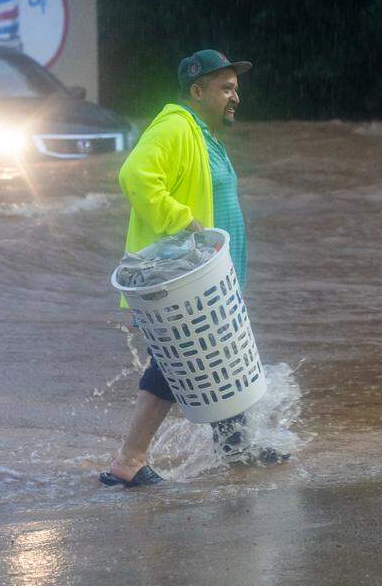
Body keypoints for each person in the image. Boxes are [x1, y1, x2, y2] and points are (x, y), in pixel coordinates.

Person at [99, 48, 286, 489]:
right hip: (180, 279)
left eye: (236, 88)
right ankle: (127, 461)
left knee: (218, 357)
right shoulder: (175, 126)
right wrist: (183, 223)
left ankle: (237, 448)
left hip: (210, 278)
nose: (234, 96)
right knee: (174, 362)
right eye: (224, 88)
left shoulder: (204, 134)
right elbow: (135, 175)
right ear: (196, 91)